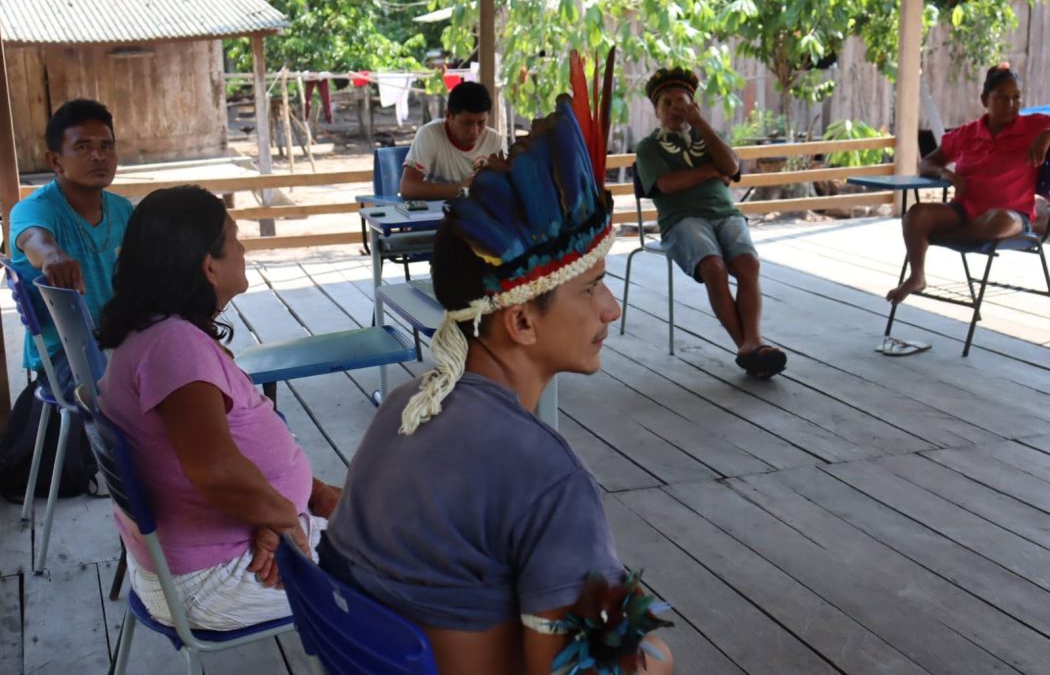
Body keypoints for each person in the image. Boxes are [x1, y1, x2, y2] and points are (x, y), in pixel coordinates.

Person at [321, 96, 673, 673]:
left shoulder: (409, 404)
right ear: (521, 322)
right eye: (591, 289)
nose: (610, 310)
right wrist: (652, 648)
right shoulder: (547, 476)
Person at [96, 186, 341, 631]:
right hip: (217, 578)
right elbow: (215, 470)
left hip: (209, 559)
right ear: (209, 266)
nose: (244, 247)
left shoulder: (154, 333)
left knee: (383, 517)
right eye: (235, 237)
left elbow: (232, 455)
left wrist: (307, 494)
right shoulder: (173, 347)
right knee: (419, 561)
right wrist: (283, 517)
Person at [635, 67, 786, 378]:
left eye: (682, 103)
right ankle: (747, 347)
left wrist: (700, 123)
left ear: (695, 107)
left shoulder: (709, 138)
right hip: (681, 220)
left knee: (748, 263)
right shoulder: (649, 147)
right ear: (656, 111)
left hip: (724, 214)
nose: (675, 109)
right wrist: (710, 172)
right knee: (713, 267)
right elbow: (668, 184)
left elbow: (731, 166)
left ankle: (752, 343)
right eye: (667, 103)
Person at [887, 63, 1050, 305]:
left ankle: (941, 236)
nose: (1012, 104)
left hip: (1014, 217)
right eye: (1003, 98)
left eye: (1016, 98)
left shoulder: (1033, 125)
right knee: (916, 215)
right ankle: (917, 276)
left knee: (999, 220)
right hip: (965, 211)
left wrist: (1047, 135)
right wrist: (947, 174)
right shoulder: (967, 133)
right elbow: (928, 163)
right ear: (985, 100)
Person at [9, 99, 134, 396]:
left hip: (122, 343)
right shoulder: (33, 209)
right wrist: (53, 257)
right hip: (66, 358)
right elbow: (35, 239)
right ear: (55, 161)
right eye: (83, 147)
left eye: (106, 146)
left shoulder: (122, 209)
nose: (98, 156)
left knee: (192, 365)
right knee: (153, 390)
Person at [399, 81, 504, 200]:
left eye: (481, 123)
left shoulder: (494, 140)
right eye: (467, 123)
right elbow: (407, 188)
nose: (474, 131)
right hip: (435, 215)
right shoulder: (430, 134)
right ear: (449, 116)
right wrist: (461, 190)